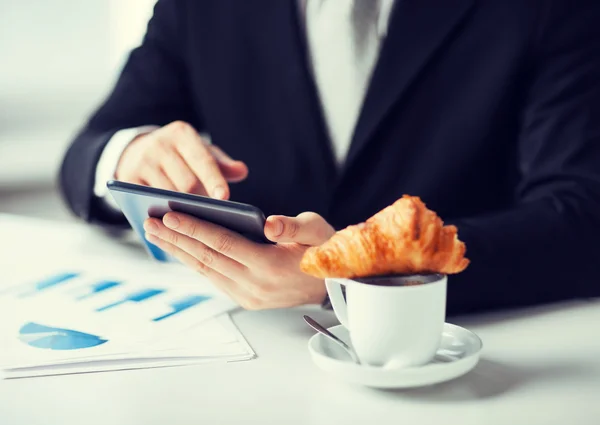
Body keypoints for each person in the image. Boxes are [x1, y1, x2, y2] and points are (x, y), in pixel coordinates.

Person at [59, 0, 600, 314]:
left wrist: (350, 270)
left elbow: (582, 219)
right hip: (249, 360)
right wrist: (129, 153)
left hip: (469, 355)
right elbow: (88, 152)